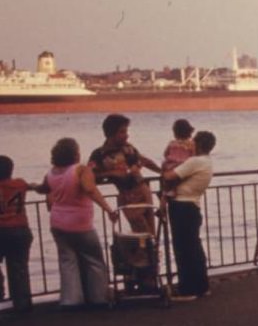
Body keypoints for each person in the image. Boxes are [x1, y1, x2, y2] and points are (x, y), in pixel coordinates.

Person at [41, 138, 119, 308]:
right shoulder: (81, 170)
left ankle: (70, 300)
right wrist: (108, 209)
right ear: (75, 153)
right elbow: (90, 189)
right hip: (80, 222)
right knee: (94, 260)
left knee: (67, 261)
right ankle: (98, 297)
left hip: (57, 222)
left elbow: (46, 191)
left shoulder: (51, 173)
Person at [162, 130, 216, 300]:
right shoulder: (207, 162)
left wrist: (165, 170)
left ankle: (187, 288)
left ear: (198, 144)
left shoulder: (194, 161)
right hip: (193, 205)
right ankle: (201, 285)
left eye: (193, 142)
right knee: (194, 247)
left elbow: (170, 175)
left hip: (182, 205)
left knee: (183, 248)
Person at [89, 114, 160, 238]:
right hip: (127, 195)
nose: (126, 135)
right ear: (111, 134)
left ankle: (152, 256)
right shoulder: (99, 154)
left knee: (151, 236)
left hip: (143, 190)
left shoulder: (129, 148)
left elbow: (144, 160)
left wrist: (161, 172)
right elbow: (90, 175)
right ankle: (142, 256)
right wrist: (110, 173)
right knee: (141, 233)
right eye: (122, 132)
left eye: (126, 131)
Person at [0, 155, 35, 312]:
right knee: (19, 267)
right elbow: (34, 187)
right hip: (20, 229)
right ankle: (23, 303)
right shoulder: (19, 184)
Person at [160, 118, 195, 203]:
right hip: (183, 166)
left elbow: (165, 154)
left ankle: (164, 195)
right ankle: (170, 193)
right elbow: (194, 155)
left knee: (165, 179)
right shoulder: (191, 144)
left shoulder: (172, 143)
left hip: (171, 167)